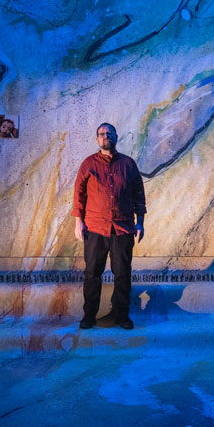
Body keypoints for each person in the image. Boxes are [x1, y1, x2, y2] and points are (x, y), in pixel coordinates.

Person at [72, 122, 146, 330]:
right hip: (94, 228)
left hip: (123, 228)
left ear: (116, 137)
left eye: (109, 133)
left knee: (122, 273)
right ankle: (89, 315)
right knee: (92, 273)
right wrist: (79, 223)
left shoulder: (128, 164)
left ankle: (122, 314)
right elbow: (79, 195)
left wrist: (140, 222)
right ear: (97, 139)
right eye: (102, 134)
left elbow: (138, 194)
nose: (106, 137)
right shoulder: (88, 164)